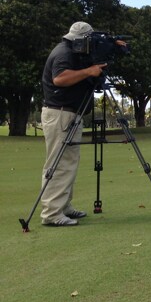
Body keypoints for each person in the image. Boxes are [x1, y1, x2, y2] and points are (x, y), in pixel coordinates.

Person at [39, 22, 109, 226]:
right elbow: (60, 79)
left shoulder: (73, 52)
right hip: (60, 114)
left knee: (68, 162)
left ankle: (63, 206)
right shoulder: (64, 53)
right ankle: (52, 213)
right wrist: (89, 72)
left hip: (68, 114)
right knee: (59, 164)